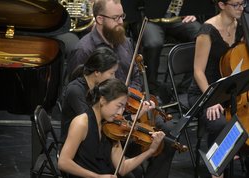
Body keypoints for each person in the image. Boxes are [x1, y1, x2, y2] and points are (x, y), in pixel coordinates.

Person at [66, 1, 182, 178]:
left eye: (122, 16)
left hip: (122, 113)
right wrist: (126, 116)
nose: (120, 22)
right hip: (101, 126)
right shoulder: (83, 50)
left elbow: (135, 75)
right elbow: (84, 105)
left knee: (168, 135)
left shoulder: (125, 42)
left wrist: (130, 100)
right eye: (115, 18)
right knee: (133, 163)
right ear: (99, 19)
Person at [58, 78, 165, 177]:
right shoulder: (81, 123)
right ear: (103, 100)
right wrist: (97, 177)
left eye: (123, 107)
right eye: (119, 106)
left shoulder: (112, 127)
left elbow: (122, 167)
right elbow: (63, 162)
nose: (120, 112)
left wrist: (150, 151)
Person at [188, 0, 245, 177]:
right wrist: (211, 99)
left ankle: (235, 151)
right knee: (220, 123)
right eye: (235, 5)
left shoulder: (242, 25)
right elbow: (198, 71)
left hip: (231, 89)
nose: (241, 8)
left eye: (242, 3)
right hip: (204, 91)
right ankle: (217, 171)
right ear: (221, 5)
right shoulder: (207, 31)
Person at [141, 0, 202, 104]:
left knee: (201, 36)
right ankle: (152, 90)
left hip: (177, 16)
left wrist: (191, 10)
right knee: (153, 43)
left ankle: (186, 88)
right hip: (149, 19)